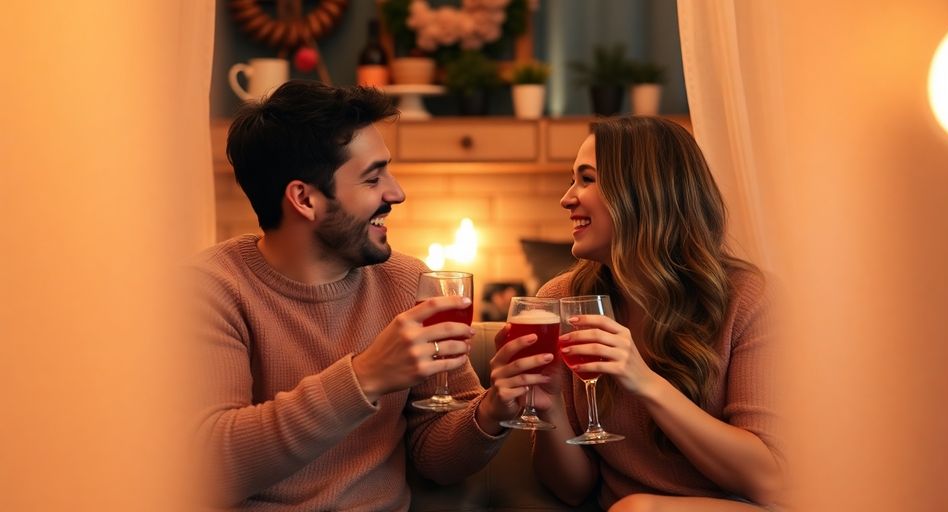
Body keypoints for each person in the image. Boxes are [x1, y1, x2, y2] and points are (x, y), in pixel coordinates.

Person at [188, 80, 526, 510]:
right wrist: (365, 377)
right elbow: (210, 467)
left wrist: (492, 412)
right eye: (373, 178)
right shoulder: (211, 290)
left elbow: (437, 459)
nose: (396, 193)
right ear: (304, 199)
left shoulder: (408, 281)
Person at [490, 116, 783, 511]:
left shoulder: (749, 297)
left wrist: (642, 380)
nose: (567, 198)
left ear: (643, 193)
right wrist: (548, 403)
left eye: (586, 179)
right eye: (571, 180)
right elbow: (573, 489)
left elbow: (770, 482)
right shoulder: (561, 299)